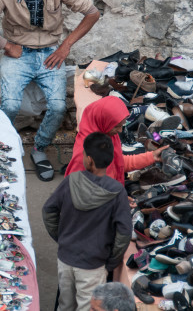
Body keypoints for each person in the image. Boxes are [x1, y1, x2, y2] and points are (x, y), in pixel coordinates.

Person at [0, 0, 100, 180]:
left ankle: (39, 149)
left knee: (58, 107)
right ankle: (0, 147)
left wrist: (65, 46)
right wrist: (5, 45)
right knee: (9, 105)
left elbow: (92, 13)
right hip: (18, 53)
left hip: (51, 53)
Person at [43, 133, 132, 311]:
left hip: (66, 258)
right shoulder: (116, 191)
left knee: (64, 305)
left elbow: (48, 211)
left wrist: (62, 238)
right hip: (94, 264)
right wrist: (111, 261)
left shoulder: (71, 181)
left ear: (89, 159)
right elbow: (124, 232)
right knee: (87, 307)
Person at [64, 96, 167, 185]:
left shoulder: (107, 135)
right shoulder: (85, 153)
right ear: (103, 121)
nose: (120, 130)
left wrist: (152, 156)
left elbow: (118, 163)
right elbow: (81, 195)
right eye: (116, 126)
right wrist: (117, 200)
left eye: (122, 125)